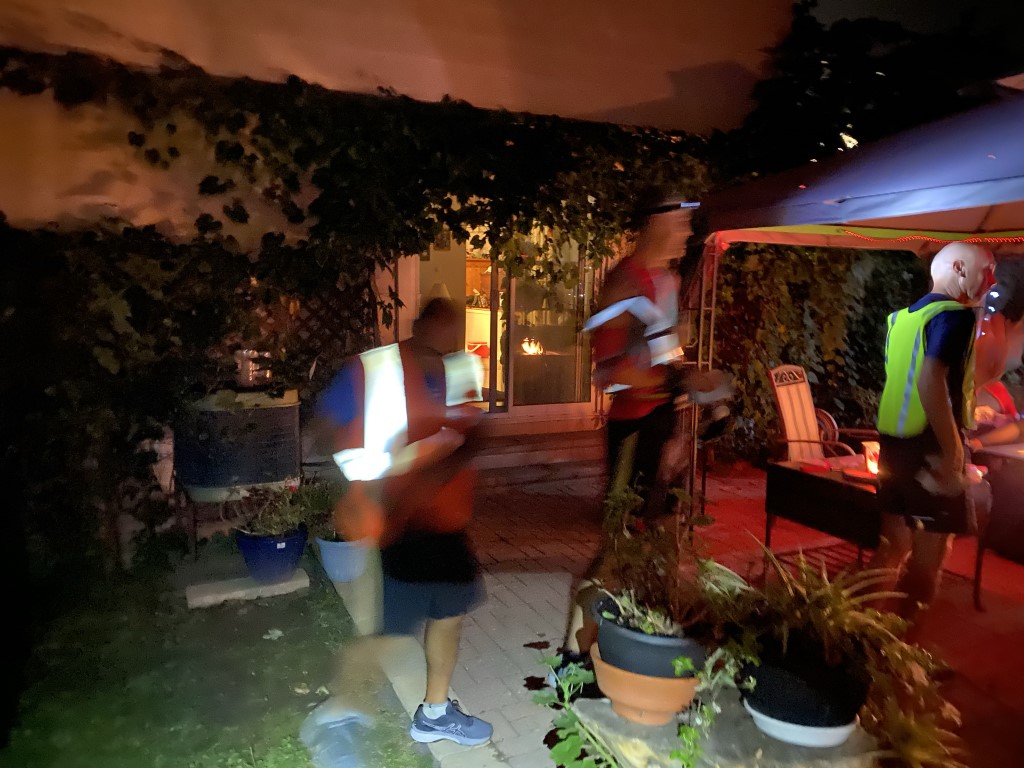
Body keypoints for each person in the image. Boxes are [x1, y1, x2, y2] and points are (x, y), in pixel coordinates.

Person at [301, 298, 492, 767]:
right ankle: (338, 717)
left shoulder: (460, 370)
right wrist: (375, 468)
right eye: (440, 326)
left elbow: (473, 431)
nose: (448, 336)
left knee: (450, 610)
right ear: (418, 325)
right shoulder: (374, 370)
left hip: (446, 524)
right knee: (388, 632)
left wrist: (448, 457)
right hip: (395, 523)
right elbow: (321, 431)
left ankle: (435, 712)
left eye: (454, 328)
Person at [552, 187, 731, 671]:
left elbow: (664, 359)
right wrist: (678, 380)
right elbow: (610, 373)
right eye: (681, 220)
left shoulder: (667, 282)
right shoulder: (623, 283)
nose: (689, 231)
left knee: (668, 541)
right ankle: (573, 656)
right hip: (632, 429)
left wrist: (689, 409)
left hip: (662, 424)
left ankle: (651, 644)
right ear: (655, 221)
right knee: (616, 549)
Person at [869, 241, 996, 636]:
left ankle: (850, 637)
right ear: (958, 268)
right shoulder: (955, 316)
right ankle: (899, 651)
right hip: (931, 452)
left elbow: (913, 381)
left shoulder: (900, 320)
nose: (990, 284)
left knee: (890, 550)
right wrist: (954, 451)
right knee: (927, 564)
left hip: (894, 449)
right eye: (986, 272)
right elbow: (930, 380)